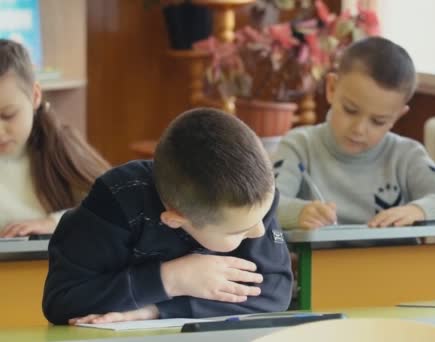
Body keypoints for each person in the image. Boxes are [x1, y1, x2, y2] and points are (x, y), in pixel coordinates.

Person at [42, 108, 293, 325]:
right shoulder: (117, 200)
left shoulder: (255, 197)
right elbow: (63, 300)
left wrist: (156, 310)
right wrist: (170, 279)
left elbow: (276, 293)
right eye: (236, 232)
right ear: (175, 220)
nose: (259, 231)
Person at [272, 36, 435, 230]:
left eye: (378, 121)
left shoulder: (406, 155)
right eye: (350, 110)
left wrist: (418, 210)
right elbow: (263, 204)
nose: (359, 129)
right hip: (317, 267)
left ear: (397, 116)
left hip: (393, 267)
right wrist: (299, 213)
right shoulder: (299, 145)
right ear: (332, 88)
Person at [0, 39, 109, 238]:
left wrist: (53, 222)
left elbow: (112, 204)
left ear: (35, 96)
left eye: (8, 115)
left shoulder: (59, 144)